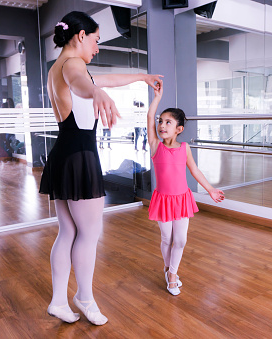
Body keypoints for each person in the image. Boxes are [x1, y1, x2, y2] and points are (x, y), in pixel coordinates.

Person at [39, 11, 162, 325]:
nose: (96, 48)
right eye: (95, 41)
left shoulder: (58, 66)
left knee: (68, 231)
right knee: (89, 233)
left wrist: (141, 78)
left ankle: (57, 301)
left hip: (63, 154)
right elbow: (82, 83)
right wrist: (95, 92)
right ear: (81, 36)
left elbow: (103, 80)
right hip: (80, 155)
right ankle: (84, 297)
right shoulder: (72, 66)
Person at [146, 82, 225, 296]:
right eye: (160, 122)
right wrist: (157, 98)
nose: (162, 125)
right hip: (163, 200)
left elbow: (195, 171)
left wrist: (210, 190)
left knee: (180, 240)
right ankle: (169, 271)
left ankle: (172, 273)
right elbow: (149, 117)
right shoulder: (156, 146)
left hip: (182, 199)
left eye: (168, 122)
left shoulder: (184, 148)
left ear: (179, 129)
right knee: (166, 239)